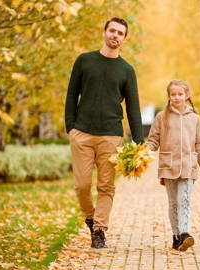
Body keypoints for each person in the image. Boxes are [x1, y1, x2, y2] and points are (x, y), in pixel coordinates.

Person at [64, 17, 144, 249]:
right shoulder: (84, 61)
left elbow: (133, 107)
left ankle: (99, 229)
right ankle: (90, 217)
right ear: (104, 32)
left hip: (111, 136)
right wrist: (71, 126)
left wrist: (138, 141)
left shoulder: (127, 70)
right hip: (82, 134)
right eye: (112, 31)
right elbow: (71, 95)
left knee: (106, 186)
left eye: (120, 33)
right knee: (81, 185)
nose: (115, 36)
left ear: (124, 39)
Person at [146, 79, 200, 251]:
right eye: (173, 94)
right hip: (169, 166)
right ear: (169, 96)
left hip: (188, 167)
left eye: (180, 94)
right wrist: (144, 153)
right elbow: (153, 140)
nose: (177, 97)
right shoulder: (162, 117)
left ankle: (185, 233)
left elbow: (199, 144)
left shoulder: (195, 118)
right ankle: (176, 236)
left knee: (185, 200)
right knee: (173, 203)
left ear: (187, 95)